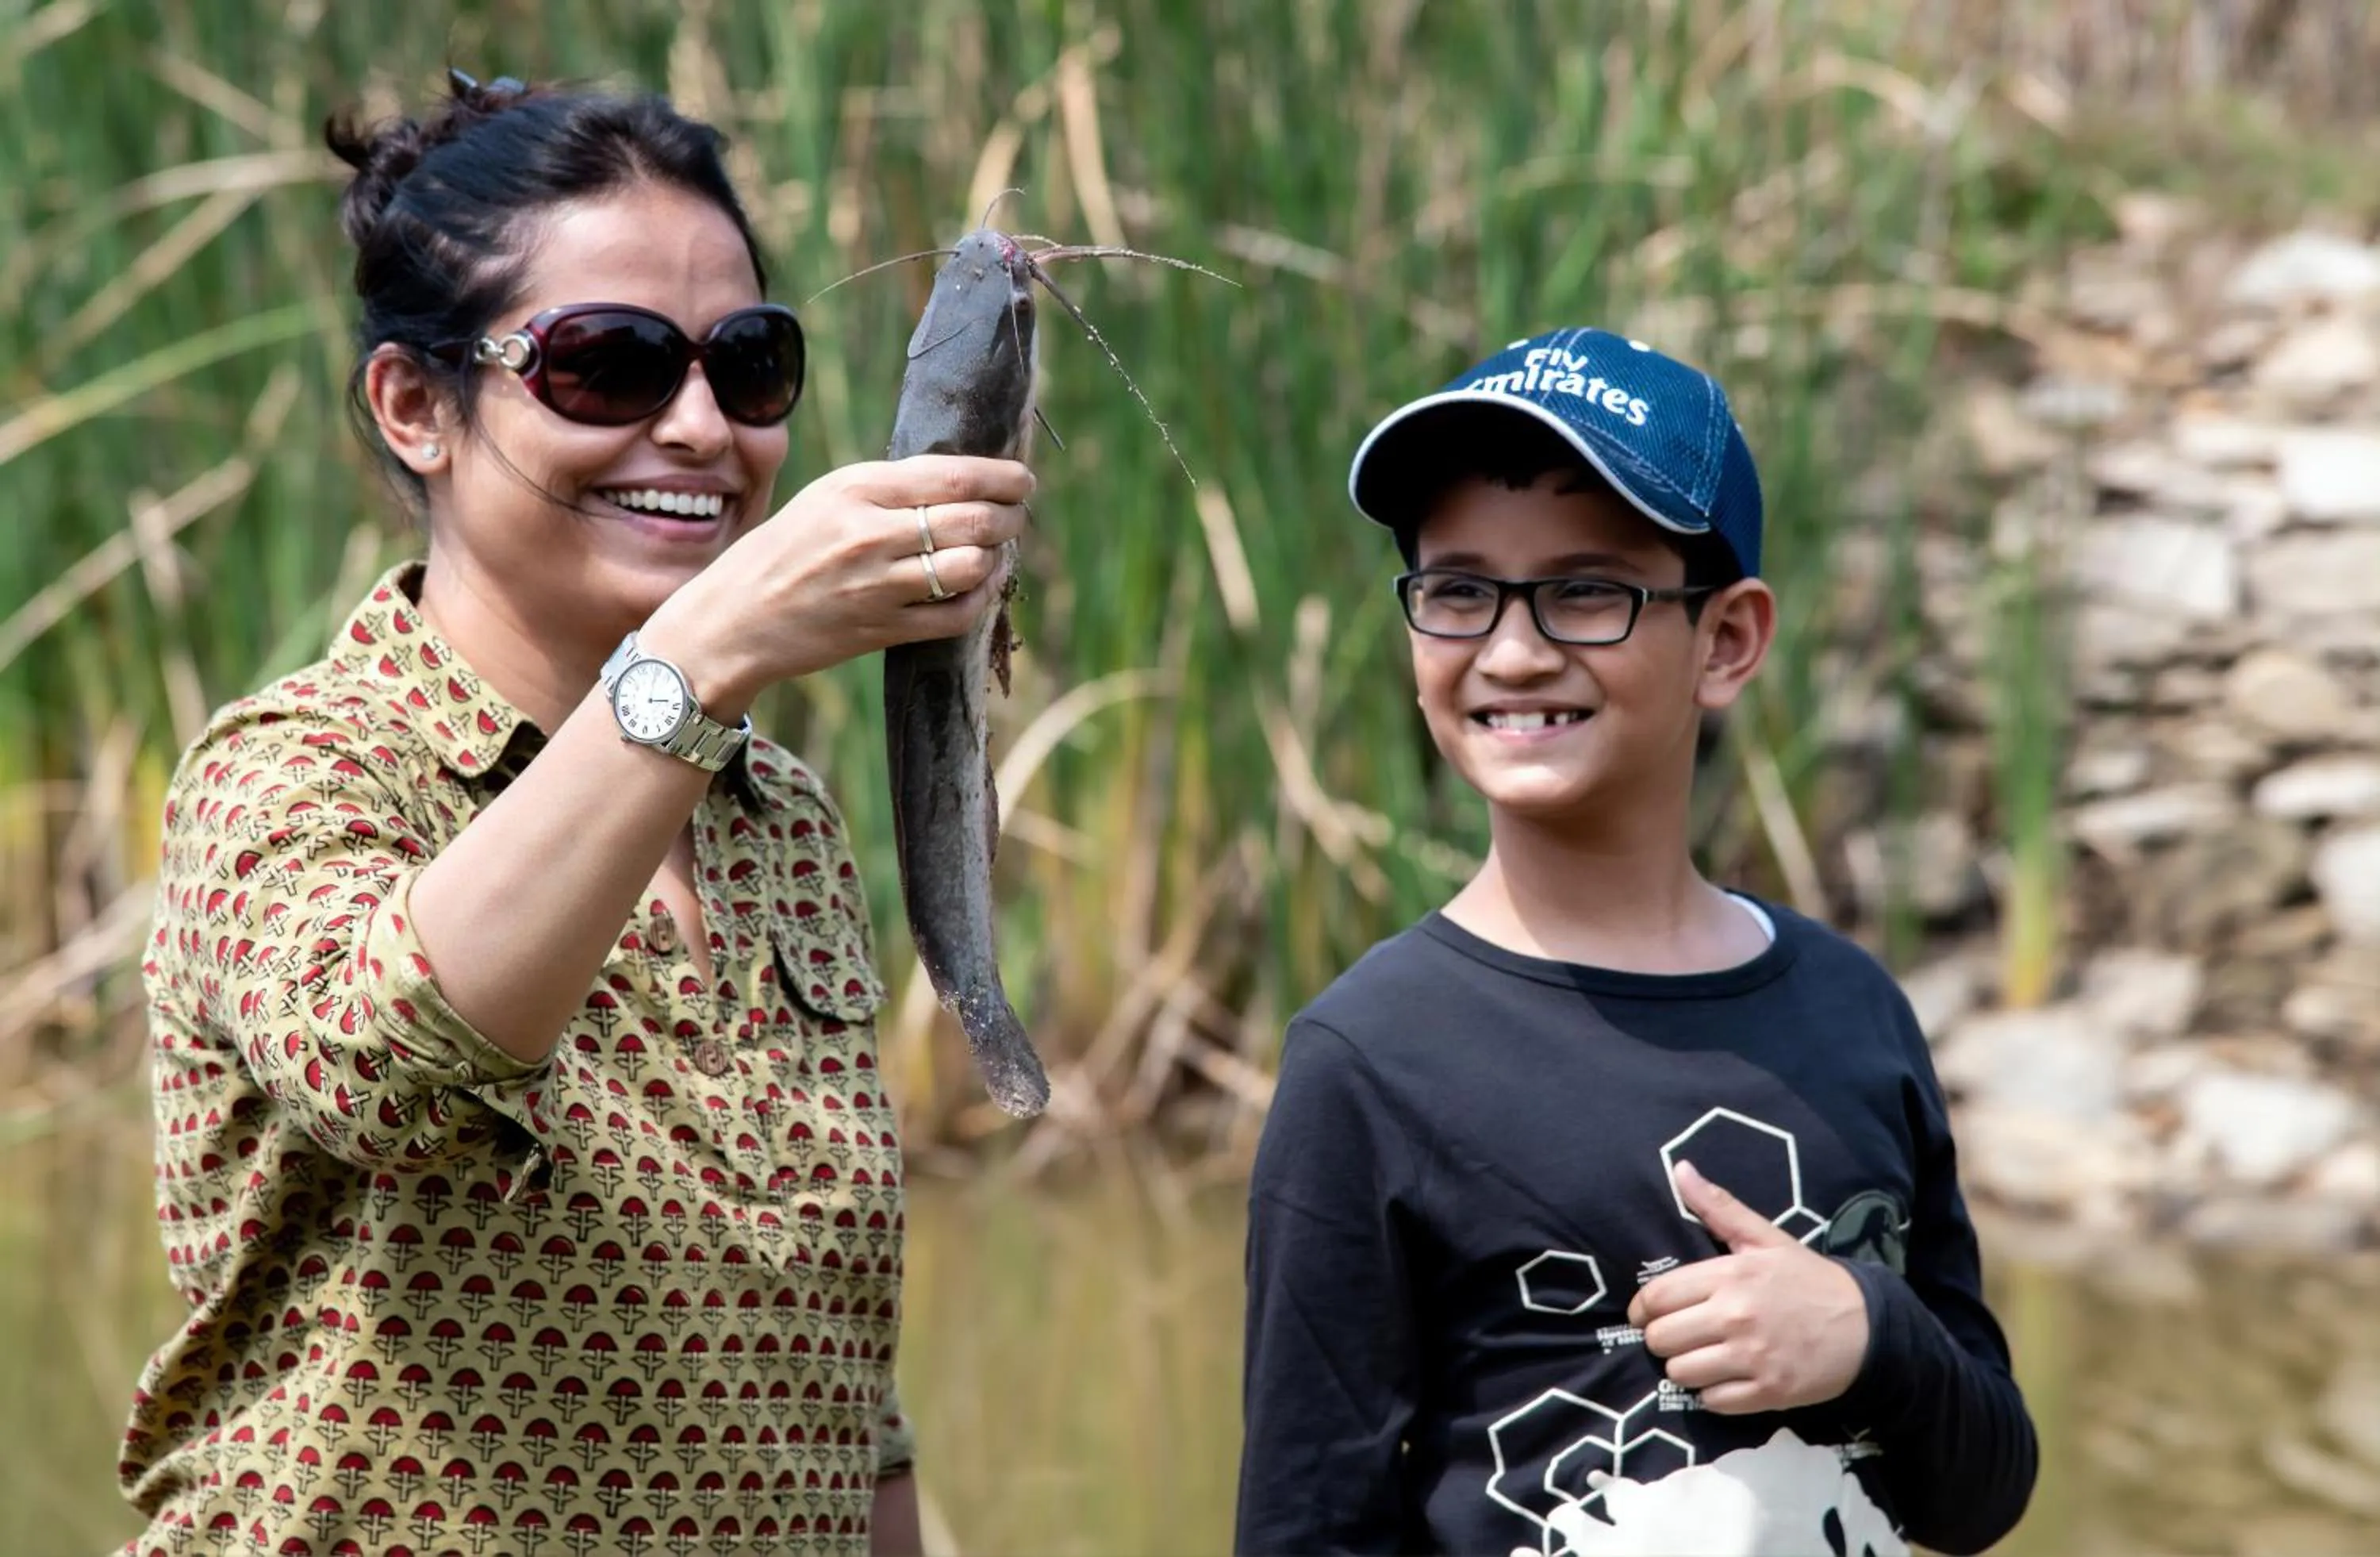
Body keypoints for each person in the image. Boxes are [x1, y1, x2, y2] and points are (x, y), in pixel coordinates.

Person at [118, 70, 1030, 1555]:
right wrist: (703, 654)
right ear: (418, 405)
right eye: (605, 366)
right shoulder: (294, 769)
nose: (695, 427)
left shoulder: (781, 818)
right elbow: (387, 1061)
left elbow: (836, 1385)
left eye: (747, 367)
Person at [1233, 329, 2037, 1556]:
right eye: (1460, 589)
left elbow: (1983, 1495)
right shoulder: (1372, 1058)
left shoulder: (1854, 1010)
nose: (1511, 649)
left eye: (1587, 590)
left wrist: (1870, 1335)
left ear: (1727, 641)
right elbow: (1305, 1525)